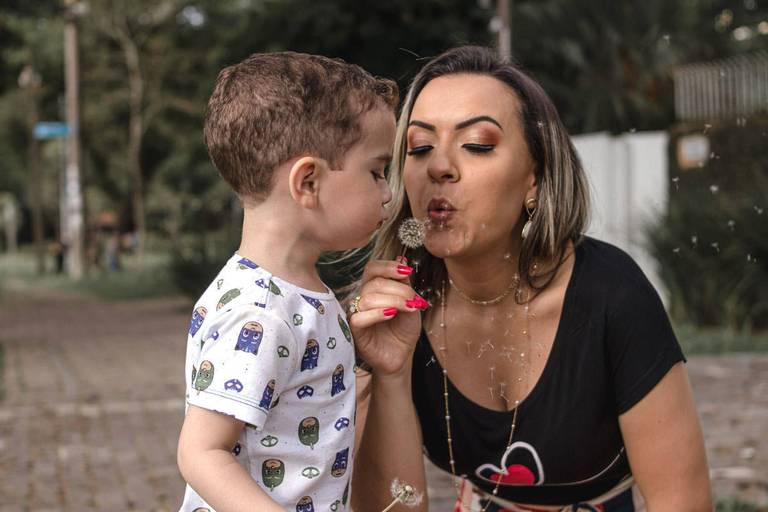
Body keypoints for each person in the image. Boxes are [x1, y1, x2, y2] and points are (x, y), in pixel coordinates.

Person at [349, 46, 712, 511]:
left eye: (477, 144)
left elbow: (682, 502)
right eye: (419, 147)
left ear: (534, 178)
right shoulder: (397, 310)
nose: (438, 166)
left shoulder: (611, 295)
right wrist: (391, 375)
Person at [176, 51, 413, 512]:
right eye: (377, 172)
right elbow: (201, 452)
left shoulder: (296, 297)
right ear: (308, 182)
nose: (387, 193)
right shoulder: (261, 313)